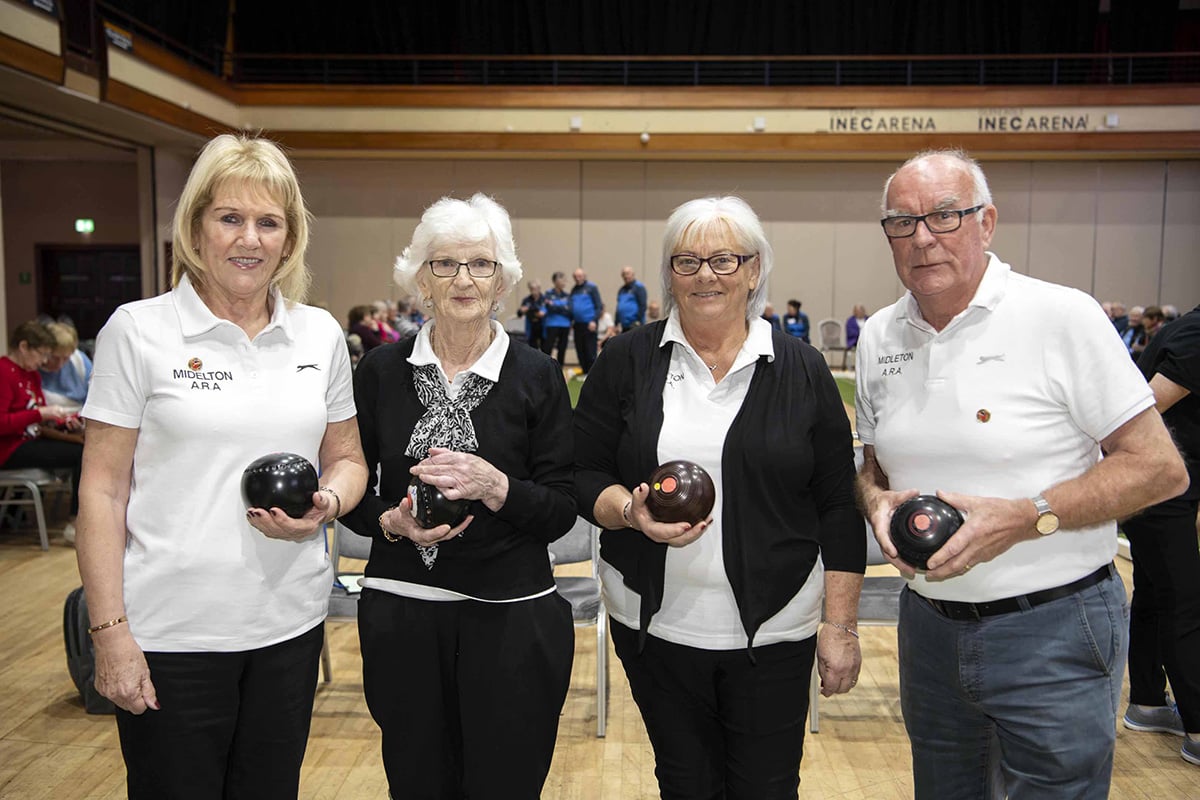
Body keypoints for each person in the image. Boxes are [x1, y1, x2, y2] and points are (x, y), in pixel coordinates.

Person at [856, 148, 1188, 799]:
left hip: (1054, 629)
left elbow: (1158, 469)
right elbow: (873, 467)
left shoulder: (1061, 317)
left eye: (945, 216)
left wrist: (1023, 517)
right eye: (902, 222)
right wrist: (873, 503)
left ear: (987, 222)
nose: (922, 238)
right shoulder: (879, 338)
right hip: (928, 629)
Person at [75, 133, 368, 799]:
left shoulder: (318, 335)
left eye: (269, 222)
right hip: (170, 636)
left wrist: (329, 502)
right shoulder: (138, 331)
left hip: (288, 628)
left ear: (289, 238)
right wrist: (110, 633)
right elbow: (101, 489)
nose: (250, 239)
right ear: (196, 227)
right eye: (230, 217)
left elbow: (347, 459)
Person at [575, 196, 864, 799]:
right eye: (687, 260)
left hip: (777, 631)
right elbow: (584, 474)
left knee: (767, 786)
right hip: (653, 626)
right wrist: (627, 511)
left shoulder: (802, 369)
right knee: (685, 784)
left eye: (725, 260)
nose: (706, 274)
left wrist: (840, 625)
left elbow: (839, 504)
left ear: (754, 271)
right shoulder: (625, 361)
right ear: (669, 274)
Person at [340, 193, 576, 798]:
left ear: (503, 282)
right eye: (445, 264)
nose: (463, 279)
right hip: (402, 610)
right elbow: (354, 487)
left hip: (511, 616)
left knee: (506, 783)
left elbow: (560, 507)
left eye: (481, 265)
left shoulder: (536, 375)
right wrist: (391, 521)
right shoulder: (380, 371)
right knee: (417, 783)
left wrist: (498, 487)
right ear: (421, 278)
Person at [1121, 303, 1200, 766]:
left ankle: (1148, 703)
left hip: (1162, 487)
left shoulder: (1184, 329)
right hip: (1159, 487)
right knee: (1186, 602)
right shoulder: (1195, 337)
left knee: (1155, 595)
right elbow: (1141, 410)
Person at [1, 319, 84, 541]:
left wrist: (63, 421)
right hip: (9, 447)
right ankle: (76, 523)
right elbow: (4, 423)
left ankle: (79, 520)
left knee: (85, 449)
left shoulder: (32, 375)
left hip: (29, 439)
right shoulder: (4, 372)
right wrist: (41, 414)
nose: (44, 361)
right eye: (41, 353)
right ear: (23, 347)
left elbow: (38, 414)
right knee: (80, 455)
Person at [40, 320, 93, 412]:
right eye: (55, 358)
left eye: (65, 358)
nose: (60, 364)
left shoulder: (80, 360)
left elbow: (94, 398)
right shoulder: (32, 367)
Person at [570, 268, 604, 373]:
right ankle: (584, 371)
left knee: (590, 350)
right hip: (577, 324)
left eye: (579, 276)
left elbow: (599, 306)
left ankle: (592, 373)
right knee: (580, 349)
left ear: (584, 276)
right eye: (575, 277)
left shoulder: (591, 288)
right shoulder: (574, 289)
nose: (577, 278)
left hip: (590, 324)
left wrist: (594, 320)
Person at [542, 271, 571, 366]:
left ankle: (560, 368)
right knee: (548, 348)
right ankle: (546, 367)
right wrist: (562, 306)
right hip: (552, 324)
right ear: (555, 281)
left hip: (565, 324)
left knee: (562, 348)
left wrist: (555, 304)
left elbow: (569, 309)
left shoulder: (567, 295)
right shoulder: (548, 293)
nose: (564, 282)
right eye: (562, 280)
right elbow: (549, 307)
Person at [614, 264, 647, 332]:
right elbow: (618, 307)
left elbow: (643, 305)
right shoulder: (621, 290)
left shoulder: (639, 287)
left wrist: (638, 320)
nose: (626, 276)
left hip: (635, 325)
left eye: (628, 274)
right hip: (624, 326)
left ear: (633, 274)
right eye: (624, 274)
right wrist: (616, 323)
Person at [517, 279, 547, 350]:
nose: (533, 291)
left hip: (543, 327)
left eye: (535, 288)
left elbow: (545, 312)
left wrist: (531, 310)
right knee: (532, 348)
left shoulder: (544, 299)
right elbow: (519, 314)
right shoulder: (526, 300)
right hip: (531, 326)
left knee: (545, 349)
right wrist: (522, 310)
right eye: (531, 289)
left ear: (539, 288)